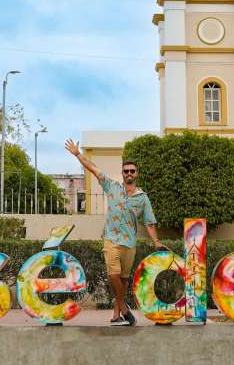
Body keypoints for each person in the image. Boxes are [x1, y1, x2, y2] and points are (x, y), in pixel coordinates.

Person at [65, 139, 163, 326]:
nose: (129, 173)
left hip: (130, 243)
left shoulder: (143, 198)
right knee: (113, 275)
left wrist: (156, 241)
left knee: (124, 280)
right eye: (126, 171)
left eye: (132, 171)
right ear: (122, 173)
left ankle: (117, 313)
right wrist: (78, 154)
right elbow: (93, 169)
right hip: (111, 240)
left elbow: (149, 223)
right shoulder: (112, 187)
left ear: (136, 174)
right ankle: (125, 308)